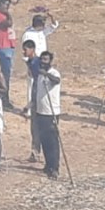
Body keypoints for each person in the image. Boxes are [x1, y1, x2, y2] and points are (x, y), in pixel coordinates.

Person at [33, 51, 62, 180]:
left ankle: (55, 168)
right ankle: (48, 164)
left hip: (51, 113)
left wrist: (47, 74)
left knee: (53, 142)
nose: (43, 61)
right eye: (42, 59)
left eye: (46, 59)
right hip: (41, 112)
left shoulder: (54, 73)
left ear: (50, 61)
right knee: (44, 140)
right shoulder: (39, 76)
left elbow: (57, 81)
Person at [0, 0, 17, 107]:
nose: (7, 7)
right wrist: (8, 14)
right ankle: (4, 98)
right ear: (0, 4)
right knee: (5, 75)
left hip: (8, 46)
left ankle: (3, 96)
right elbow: (8, 23)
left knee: (7, 74)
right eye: (6, 5)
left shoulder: (3, 15)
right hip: (2, 46)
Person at [21, 39, 43, 163]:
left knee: (36, 128)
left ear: (32, 49)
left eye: (26, 49)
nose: (24, 52)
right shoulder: (32, 61)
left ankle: (36, 153)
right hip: (37, 95)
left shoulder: (34, 63)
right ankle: (36, 152)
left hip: (37, 96)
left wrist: (30, 104)